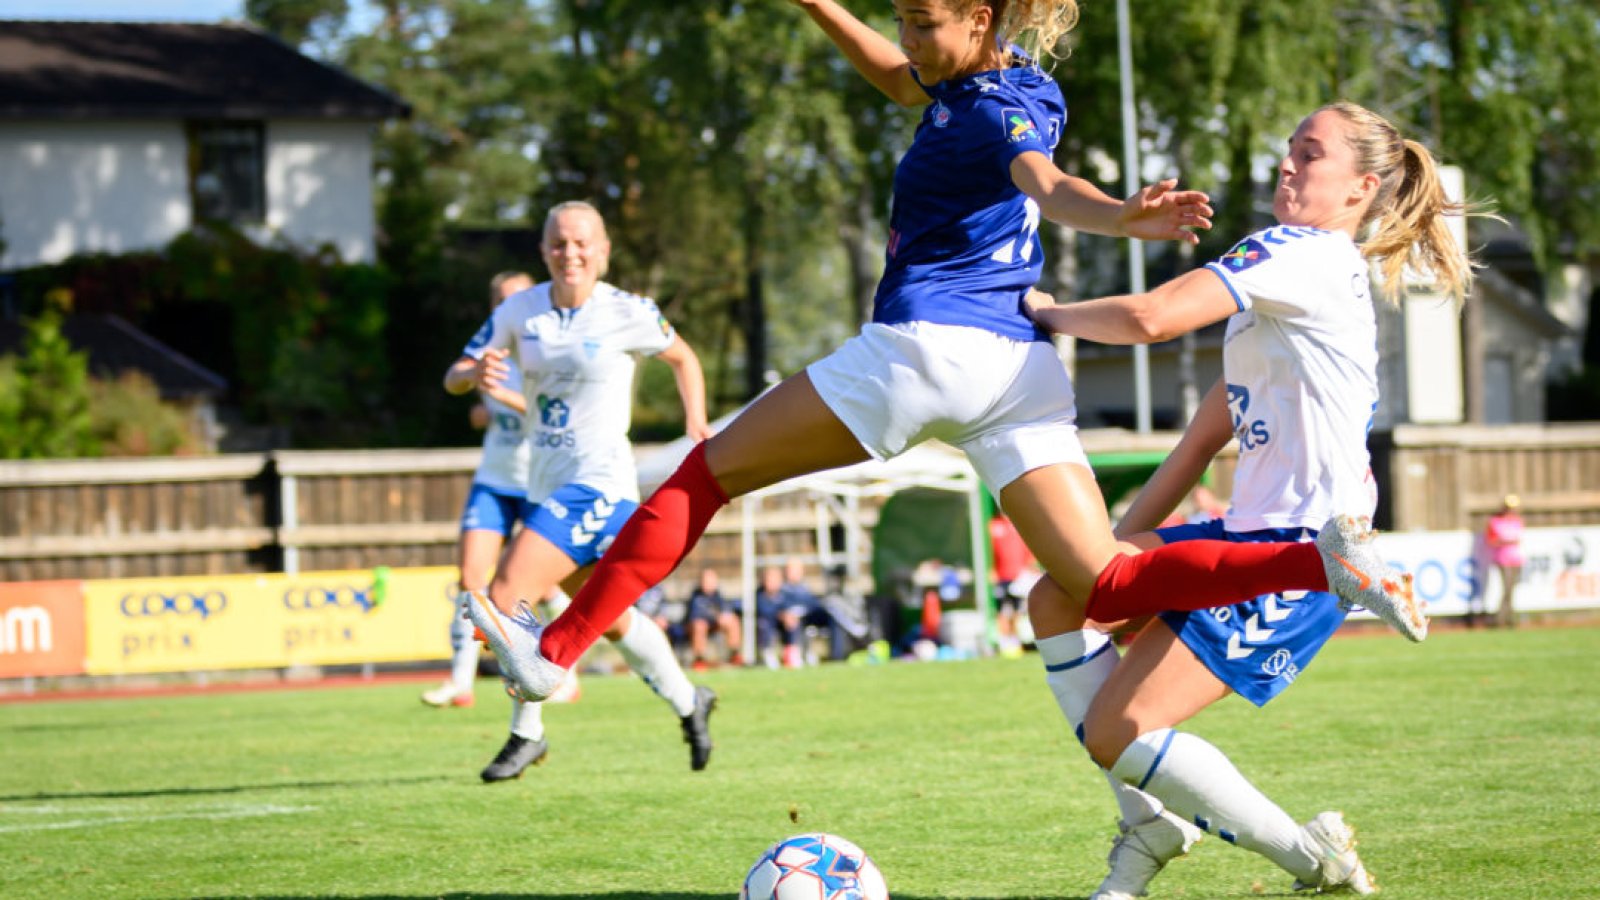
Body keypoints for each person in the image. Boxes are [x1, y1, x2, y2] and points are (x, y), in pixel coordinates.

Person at [470, 0, 1421, 731]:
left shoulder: (993, 112)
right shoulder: (1002, 87)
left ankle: (557, 651)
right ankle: (1325, 565)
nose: (909, 39)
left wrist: (1120, 217)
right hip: (1019, 374)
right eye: (901, 19)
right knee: (1100, 584)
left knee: (702, 476)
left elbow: (1048, 184)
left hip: (922, 354)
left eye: (926, 22)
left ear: (979, 19)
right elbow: (900, 80)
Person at [1023, 100, 1477, 897]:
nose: (1288, 163)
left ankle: (1309, 857)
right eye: (1289, 148)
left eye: (1311, 152)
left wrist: (1039, 313)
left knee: (1117, 729)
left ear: (1360, 188)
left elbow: (1152, 317)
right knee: (1058, 598)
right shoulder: (1287, 288)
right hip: (1246, 534)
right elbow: (1201, 442)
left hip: (1301, 553)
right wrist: (1107, 560)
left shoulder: (1298, 252)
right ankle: (1152, 824)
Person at [445, 200, 718, 781]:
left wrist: (697, 422)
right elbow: (455, 374)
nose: (570, 253)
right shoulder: (520, 309)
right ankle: (689, 700)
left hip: (600, 486)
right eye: (559, 243)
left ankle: (527, 733)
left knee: (508, 592)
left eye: (581, 243)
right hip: (546, 485)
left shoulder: (627, 310)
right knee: (609, 617)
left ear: (603, 251)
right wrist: (473, 375)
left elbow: (683, 357)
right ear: (544, 251)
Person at [422, 270, 535, 710]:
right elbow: (453, 379)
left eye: (517, 298)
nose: (509, 307)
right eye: (501, 301)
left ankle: (563, 672)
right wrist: (473, 379)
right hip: (494, 479)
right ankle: (460, 681)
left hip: (538, 481)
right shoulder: (490, 345)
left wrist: (501, 399)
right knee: (471, 577)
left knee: (546, 585)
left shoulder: (546, 348)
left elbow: (553, 413)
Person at [988, 509, 1033, 657]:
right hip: (1001, 577)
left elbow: (1027, 552)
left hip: (1018, 578)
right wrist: (992, 569)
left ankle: (1014, 641)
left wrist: (1027, 569)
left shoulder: (1019, 526)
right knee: (1001, 611)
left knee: (1016, 611)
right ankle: (1004, 642)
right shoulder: (993, 525)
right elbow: (989, 549)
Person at [685, 566, 744, 668]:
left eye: (711, 581)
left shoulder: (718, 595)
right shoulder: (695, 596)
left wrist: (725, 615)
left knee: (733, 620)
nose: (709, 584)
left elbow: (726, 608)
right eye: (706, 581)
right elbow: (696, 616)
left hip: (714, 625)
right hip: (696, 627)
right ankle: (699, 659)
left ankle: (735, 654)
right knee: (699, 625)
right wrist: (716, 617)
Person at [1484, 494, 1525, 629]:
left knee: (1511, 590)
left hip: (1516, 559)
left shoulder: (1517, 521)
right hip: (1503, 559)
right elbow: (1491, 541)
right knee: (1507, 589)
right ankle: (1501, 619)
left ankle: (1508, 617)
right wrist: (1505, 542)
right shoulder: (1495, 522)